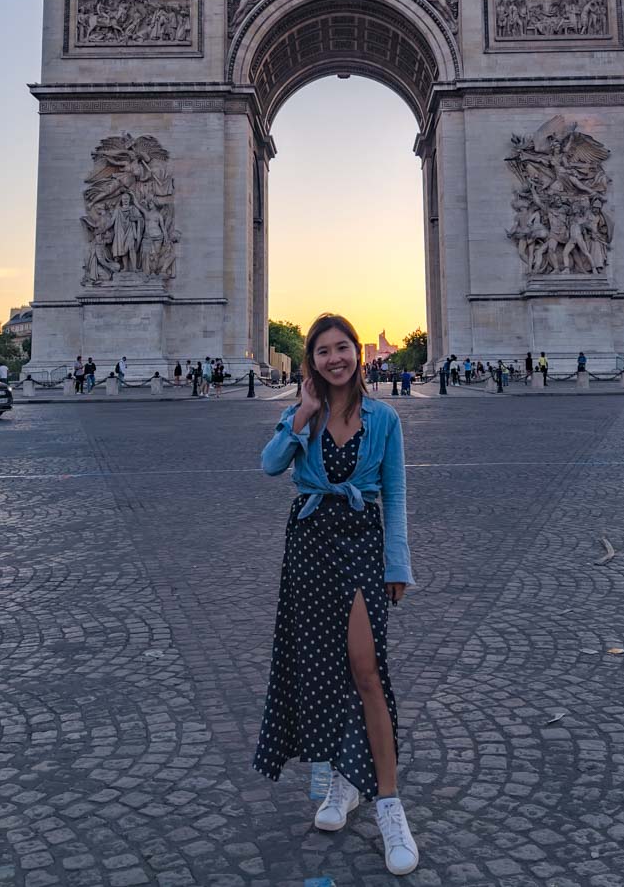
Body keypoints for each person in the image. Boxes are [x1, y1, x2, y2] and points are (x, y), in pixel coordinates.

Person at [253, 313, 419, 876]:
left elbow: (394, 494)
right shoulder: (302, 413)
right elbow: (270, 465)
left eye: (343, 347)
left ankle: (390, 804)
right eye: (323, 351)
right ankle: (342, 785)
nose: (335, 358)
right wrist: (299, 416)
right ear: (312, 362)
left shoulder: (385, 418)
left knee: (367, 670)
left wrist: (398, 564)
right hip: (309, 548)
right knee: (321, 669)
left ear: (358, 353)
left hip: (358, 549)